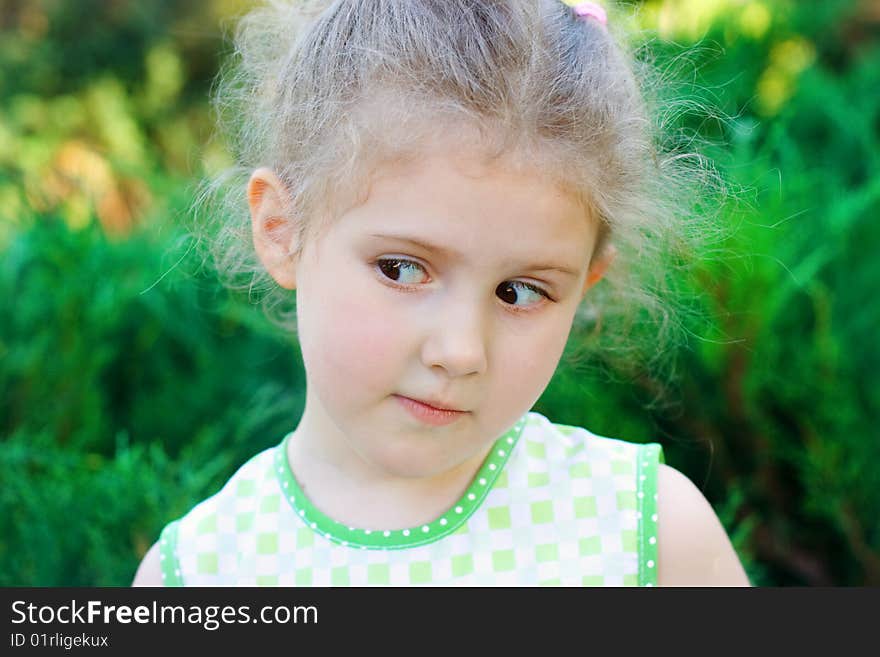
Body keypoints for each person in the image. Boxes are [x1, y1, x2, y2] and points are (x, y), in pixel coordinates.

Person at [133, 0, 749, 587]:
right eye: (402, 269)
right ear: (281, 230)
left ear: (587, 280)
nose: (460, 351)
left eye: (519, 291)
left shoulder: (648, 533)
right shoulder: (201, 574)